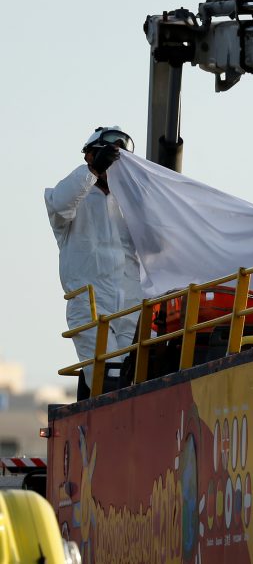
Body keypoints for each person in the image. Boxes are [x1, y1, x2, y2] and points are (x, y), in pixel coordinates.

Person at [45, 127, 142, 399]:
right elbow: (62, 202)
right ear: (89, 156)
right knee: (109, 378)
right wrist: (92, 172)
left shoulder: (130, 204)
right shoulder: (71, 201)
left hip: (131, 309)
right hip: (90, 308)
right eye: (106, 158)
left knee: (134, 377)